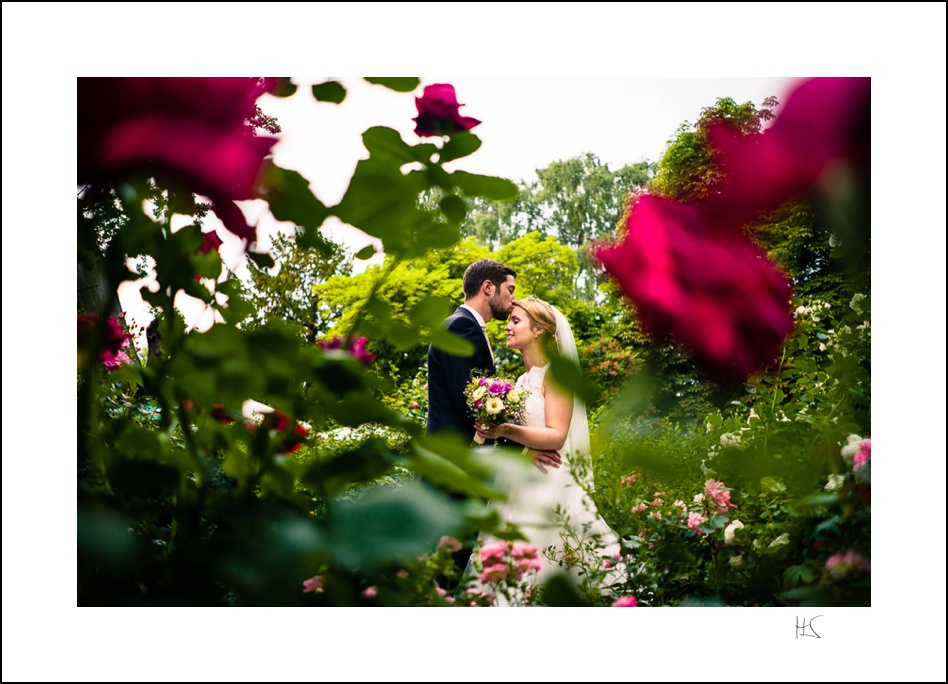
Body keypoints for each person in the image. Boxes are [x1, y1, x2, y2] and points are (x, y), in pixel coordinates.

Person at [471, 296, 626, 602]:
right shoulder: (522, 379)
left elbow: (556, 435)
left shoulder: (556, 374)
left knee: (552, 565)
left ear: (539, 328)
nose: (508, 327)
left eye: (516, 321)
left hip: (551, 481)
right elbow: (525, 436)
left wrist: (503, 429)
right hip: (522, 480)